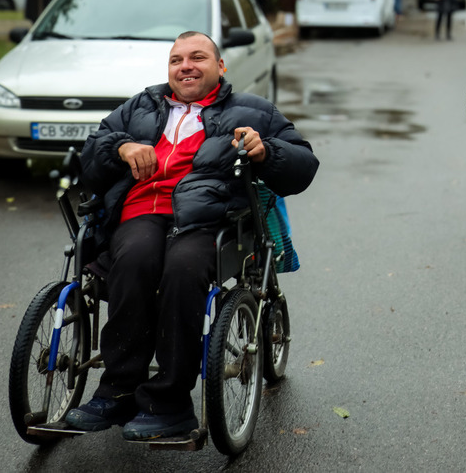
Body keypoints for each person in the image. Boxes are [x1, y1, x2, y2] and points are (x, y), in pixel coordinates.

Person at [65, 31, 319, 441]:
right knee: (132, 261)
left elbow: (304, 165)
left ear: (220, 67)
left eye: (197, 57)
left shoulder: (252, 110)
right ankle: (118, 390)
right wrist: (122, 148)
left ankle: (169, 404)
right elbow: (90, 156)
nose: (185, 66)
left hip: (208, 220)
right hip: (142, 212)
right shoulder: (140, 106)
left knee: (183, 270)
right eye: (176, 59)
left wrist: (266, 151)